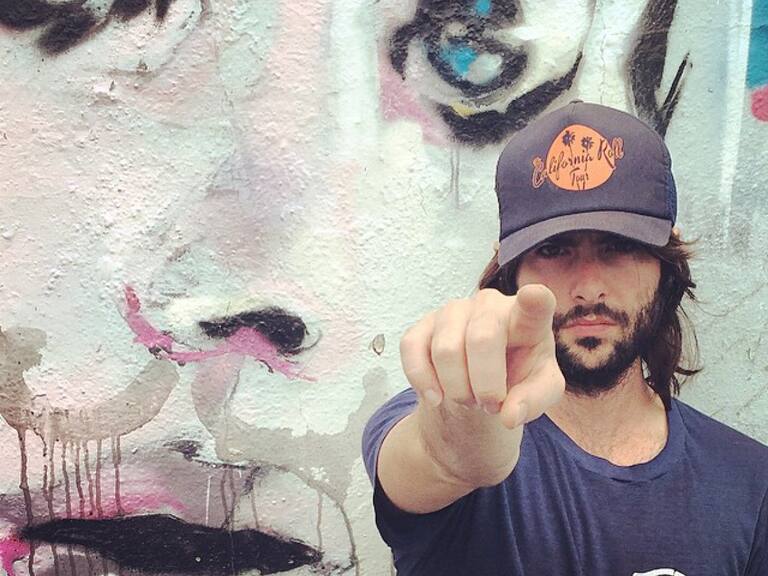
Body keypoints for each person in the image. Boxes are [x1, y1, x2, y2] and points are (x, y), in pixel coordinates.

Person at [363, 101, 768, 575]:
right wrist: (465, 435)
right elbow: (437, 457)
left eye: (619, 246)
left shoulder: (749, 481)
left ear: (666, 262)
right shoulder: (443, 407)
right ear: (510, 270)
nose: (589, 288)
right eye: (554, 250)